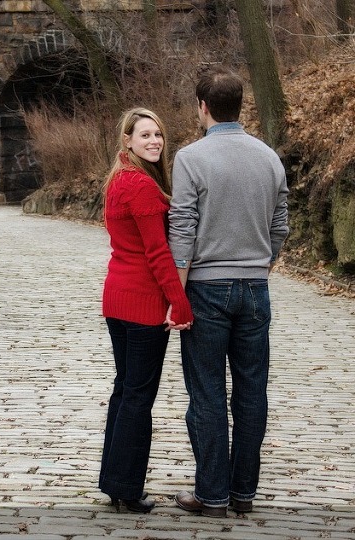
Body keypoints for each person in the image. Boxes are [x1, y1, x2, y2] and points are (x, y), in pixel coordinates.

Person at [168, 66, 289, 517]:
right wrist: (260, 263)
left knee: (207, 393)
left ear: (202, 107)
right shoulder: (269, 157)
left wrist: (176, 296)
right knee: (252, 392)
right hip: (256, 288)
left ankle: (212, 495)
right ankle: (243, 494)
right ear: (241, 105)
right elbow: (280, 226)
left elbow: (182, 232)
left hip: (205, 289)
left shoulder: (191, 158)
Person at [99, 107, 194, 514]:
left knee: (125, 390)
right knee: (137, 396)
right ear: (127, 141)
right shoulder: (139, 186)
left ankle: (114, 481)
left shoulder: (119, 180)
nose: (154, 141)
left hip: (117, 300)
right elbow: (158, 254)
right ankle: (126, 488)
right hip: (140, 305)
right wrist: (180, 301)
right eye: (144, 135)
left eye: (158, 134)